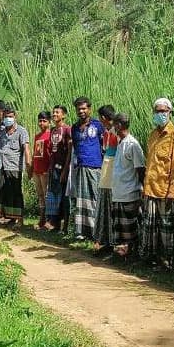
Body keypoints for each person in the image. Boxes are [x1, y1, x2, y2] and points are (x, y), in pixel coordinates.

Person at [140, 98, 174, 268]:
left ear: (170, 112)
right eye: (157, 111)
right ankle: (150, 257)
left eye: (164, 111)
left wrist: (173, 188)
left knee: (166, 226)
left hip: (165, 188)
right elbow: (149, 161)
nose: (161, 114)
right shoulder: (152, 135)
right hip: (150, 187)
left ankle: (167, 259)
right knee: (149, 224)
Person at [110, 113, 145, 257]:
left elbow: (140, 169)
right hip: (119, 191)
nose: (113, 128)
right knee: (121, 225)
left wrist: (142, 187)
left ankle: (133, 251)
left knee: (131, 224)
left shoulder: (132, 144)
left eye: (114, 125)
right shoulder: (120, 143)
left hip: (130, 191)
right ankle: (123, 250)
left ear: (119, 125)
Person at [70, 97, 105, 240]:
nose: (81, 111)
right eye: (79, 109)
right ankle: (81, 231)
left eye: (84, 108)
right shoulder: (74, 128)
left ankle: (96, 231)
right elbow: (75, 147)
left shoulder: (97, 126)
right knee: (81, 199)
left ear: (89, 109)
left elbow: (104, 145)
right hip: (80, 166)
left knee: (95, 199)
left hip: (95, 167)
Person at [0, 108, 31, 227]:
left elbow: (26, 149)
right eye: (6, 117)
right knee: (3, 192)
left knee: (15, 193)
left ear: (15, 117)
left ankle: (19, 220)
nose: (8, 119)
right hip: (3, 165)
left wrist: (29, 165)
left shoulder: (21, 131)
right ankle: (7, 217)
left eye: (10, 116)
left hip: (14, 167)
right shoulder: (3, 132)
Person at [44, 105, 72, 232]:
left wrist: (65, 170)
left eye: (57, 112)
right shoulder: (53, 131)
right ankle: (54, 222)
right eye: (53, 112)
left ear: (64, 115)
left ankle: (65, 226)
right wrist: (50, 167)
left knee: (64, 197)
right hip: (54, 168)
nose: (54, 114)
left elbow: (70, 151)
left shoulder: (67, 130)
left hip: (63, 168)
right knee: (54, 195)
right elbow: (52, 151)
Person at [94, 105, 117, 250]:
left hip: (113, 174)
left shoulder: (116, 132)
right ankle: (105, 239)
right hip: (106, 173)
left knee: (112, 207)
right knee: (105, 206)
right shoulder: (108, 132)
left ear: (103, 118)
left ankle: (113, 240)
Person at [29, 111, 51, 229]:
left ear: (49, 122)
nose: (41, 123)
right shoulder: (37, 136)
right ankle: (41, 219)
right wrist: (31, 168)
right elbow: (34, 154)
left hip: (45, 170)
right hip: (36, 170)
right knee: (40, 195)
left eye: (44, 121)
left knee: (46, 194)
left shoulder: (51, 135)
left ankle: (47, 219)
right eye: (40, 121)